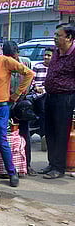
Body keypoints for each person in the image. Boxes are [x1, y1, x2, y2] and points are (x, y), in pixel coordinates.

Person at [0, 38, 34, 187]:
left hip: (1, 108)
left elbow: (29, 73)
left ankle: (12, 172)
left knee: (1, 141)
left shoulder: (6, 61)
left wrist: (17, 94)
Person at [39, 23, 75, 179]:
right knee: (50, 130)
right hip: (50, 96)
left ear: (69, 38)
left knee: (61, 132)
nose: (54, 38)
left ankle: (59, 168)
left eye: (58, 35)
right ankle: (51, 163)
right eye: (54, 35)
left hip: (65, 98)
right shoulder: (55, 51)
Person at [2, 40, 34, 176]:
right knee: (5, 135)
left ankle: (27, 164)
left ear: (18, 54)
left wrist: (18, 93)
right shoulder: (2, 62)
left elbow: (30, 77)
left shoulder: (26, 62)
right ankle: (5, 166)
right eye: (8, 58)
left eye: (13, 58)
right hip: (5, 102)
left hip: (21, 102)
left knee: (24, 133)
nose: (11, 61)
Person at [31, 47, 53, 151]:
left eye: (49, 55)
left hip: (50, 92)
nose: (46, 57)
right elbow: (32, 81)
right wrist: (36, 87)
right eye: (45, 55)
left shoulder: (54, 67)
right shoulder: (37, 66)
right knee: (43, 111)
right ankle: (44, 136)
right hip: (39, 94)